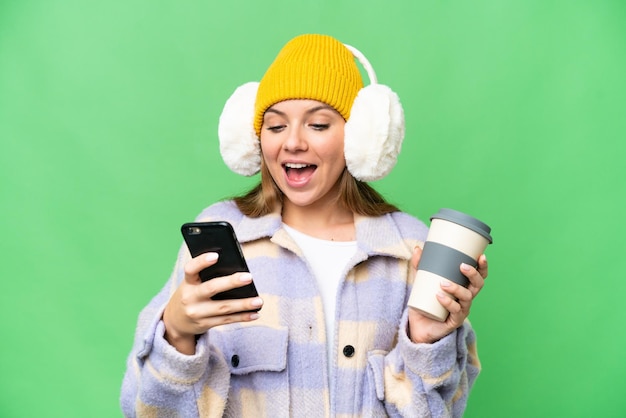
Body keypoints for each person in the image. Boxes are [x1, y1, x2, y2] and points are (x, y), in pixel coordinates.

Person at [120, 33, 488, 417]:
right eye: (276, 127)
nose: (292, 142)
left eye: (318, 124)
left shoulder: (408, 249)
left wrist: (426, 342)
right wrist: (177, 334)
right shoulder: (223, 237)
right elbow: (144, 410)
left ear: (360, 138)